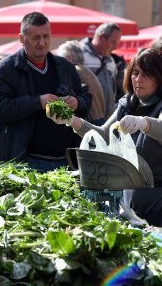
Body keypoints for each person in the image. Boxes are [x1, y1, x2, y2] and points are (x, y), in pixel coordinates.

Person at [47, 46, 162, 226]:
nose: (138, 79)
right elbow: (105, 135)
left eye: (147, 74)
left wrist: (145, 123)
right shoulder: (128, 103)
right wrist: (72, 121)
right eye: (135, 73)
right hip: (132, 185)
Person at [0, 12, 91, 172]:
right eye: (36, 38)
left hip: (68, 161)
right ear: (22, 39)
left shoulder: (65, 66)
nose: (42, 43)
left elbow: (86, 98)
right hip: (26, 162)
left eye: (46, 36)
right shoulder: (6, 69)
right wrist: (38, 102)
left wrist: (77, 102)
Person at [58, 40, 106, 125]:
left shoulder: (75, 72)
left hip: (89, 122)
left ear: (69, 58)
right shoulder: (87, 71)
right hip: (99, 119)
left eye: (60, 58)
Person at [81, 22, 122, 119]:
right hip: (86, 121)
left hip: (106, 121)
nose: (115, 47)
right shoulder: (80, 55)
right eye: (113, 41)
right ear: (101, 37)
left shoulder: (111, 61)